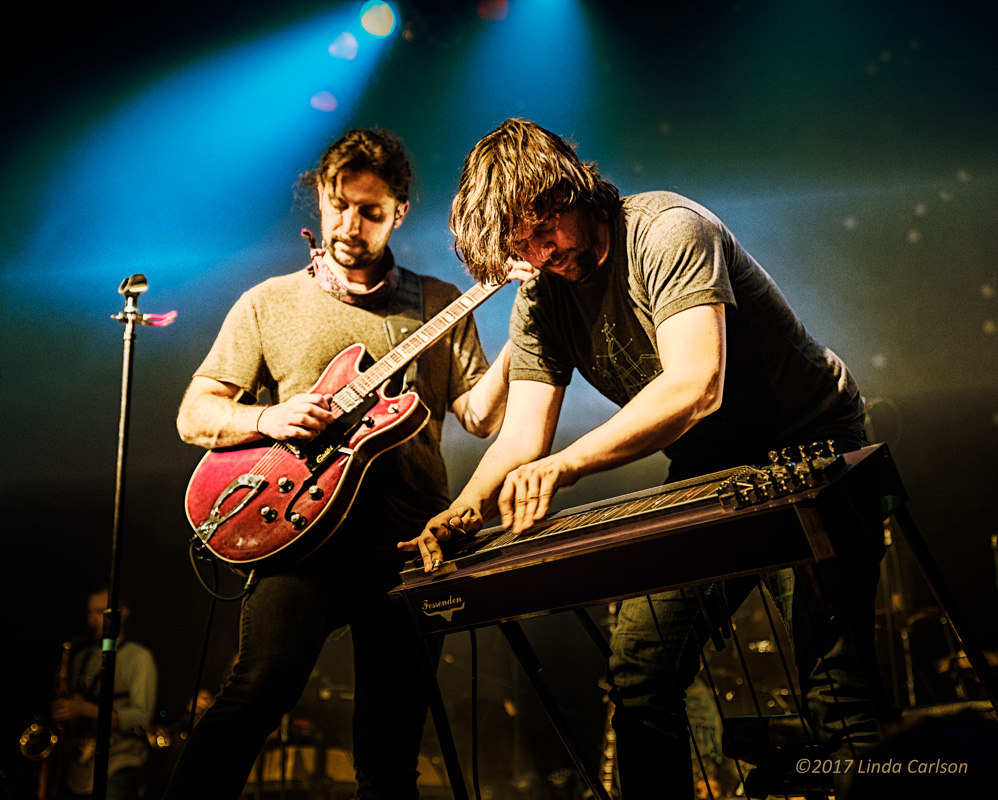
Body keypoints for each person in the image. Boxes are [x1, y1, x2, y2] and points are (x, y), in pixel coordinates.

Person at [402, 118, 888, 797]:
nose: (542, 255)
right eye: (523, 246)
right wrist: (462, 510)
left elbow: (695, 386)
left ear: (573, 191)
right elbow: (519, 438)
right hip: (710, 461)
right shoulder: (541, 297)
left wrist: (565, 468)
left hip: (812, 444)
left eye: (547, 232)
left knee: (837, 688)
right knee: (641, 671)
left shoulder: (665, 231)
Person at [165, 128, 520, 800]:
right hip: (301, 535)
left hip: (410, 540)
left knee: (390, 754)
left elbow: (481, 416)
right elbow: (195, 414)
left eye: (370, 211)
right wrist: (266, 417)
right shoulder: (269, 303)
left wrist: (521, 328)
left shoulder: (440, 302)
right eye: (339, 206)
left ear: (399, 213)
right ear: (320, 199)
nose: (350, 225)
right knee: (257, 693)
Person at [50, 588, 157, 800]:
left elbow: (142, 717)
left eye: (100, 613)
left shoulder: (139, 657)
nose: (92, 621)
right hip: (78, 764)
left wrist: (86, 709)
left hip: (119, 761)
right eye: (90, 613)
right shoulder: (81, 655)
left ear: (123, 614)